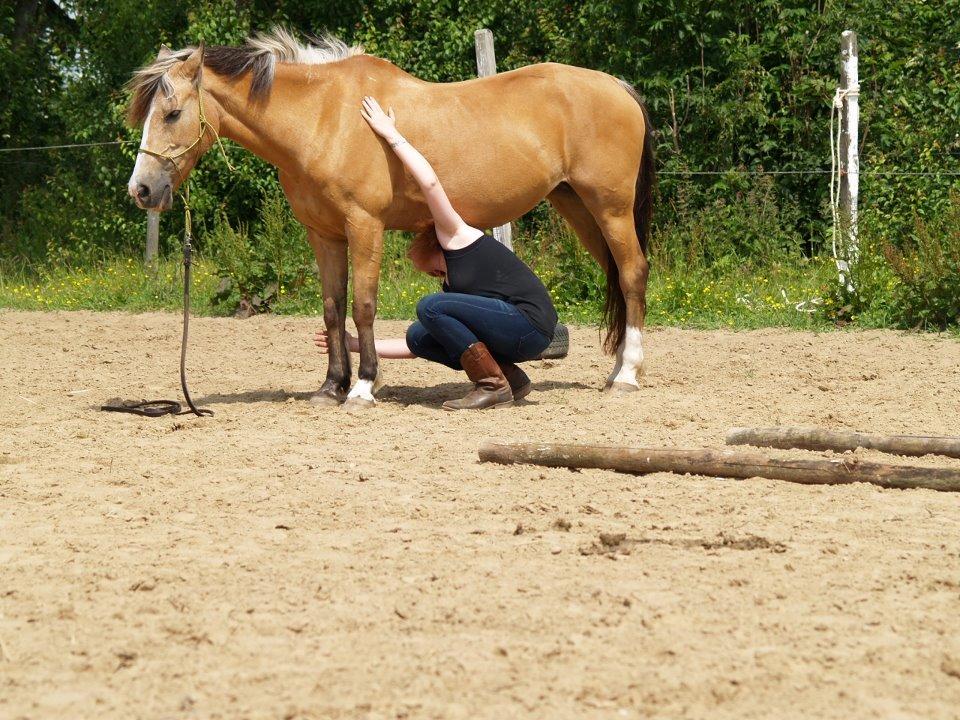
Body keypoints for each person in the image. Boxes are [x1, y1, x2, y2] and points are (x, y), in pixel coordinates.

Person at [315, 96, 558, 410]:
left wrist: (391, 134)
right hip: (513, 335)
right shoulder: (451, 285)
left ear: (429, 245)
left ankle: (492, 385)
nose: (428, 273)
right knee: (420, 334)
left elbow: (429, 183)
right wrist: (356, 345)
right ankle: (510, 378)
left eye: (425, 266)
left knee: (430, 307)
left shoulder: (455, 235)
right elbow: (412, 348)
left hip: (532, 326)